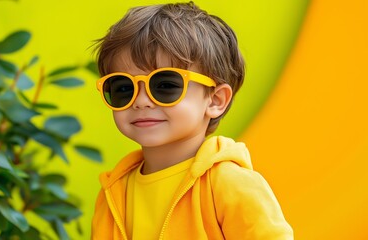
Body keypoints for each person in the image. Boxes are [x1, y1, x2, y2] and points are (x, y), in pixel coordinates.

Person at [91, 2, 293, 239]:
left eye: (165, 85)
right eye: (123, 88)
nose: (141, 101)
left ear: (216, 100)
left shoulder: (229, 184)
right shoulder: (113, 192)